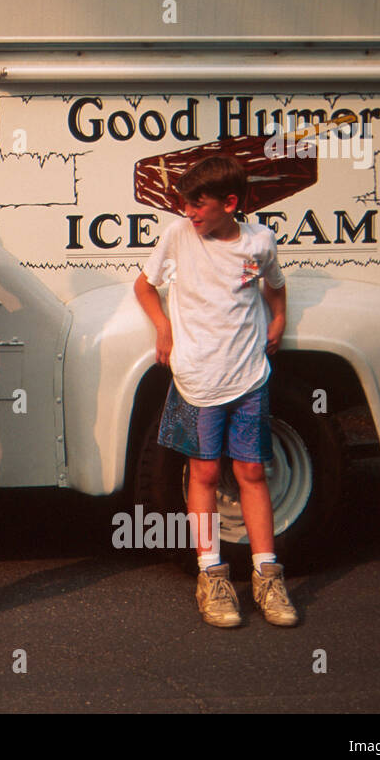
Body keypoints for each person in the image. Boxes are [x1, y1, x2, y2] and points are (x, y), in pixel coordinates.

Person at [133, 154, 297, 629]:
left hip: (247, 377)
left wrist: (280, 317)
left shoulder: (258, 242)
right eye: (186, 205)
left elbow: (275, 285)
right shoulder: (177, 237)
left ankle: (268, 574)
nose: (190, 214)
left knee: (251, 470)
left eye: (198, 205)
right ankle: (212, 575)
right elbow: (144, 287)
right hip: (196, 379)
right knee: (202, 475)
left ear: (230, 203)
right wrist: (163, 327)